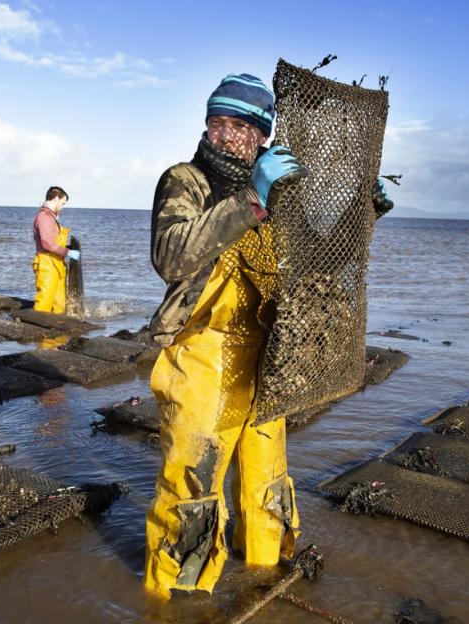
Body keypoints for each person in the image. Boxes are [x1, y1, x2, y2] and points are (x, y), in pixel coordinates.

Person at [144, 73, 307, 599]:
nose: (224, 134)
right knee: (192, 486)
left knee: (266, 477)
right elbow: (171, 257)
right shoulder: (185, 180)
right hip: (200, 353)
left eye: (239, 126)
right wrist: (249, 198)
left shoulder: (281, 191)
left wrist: (364, 211)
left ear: (263, 136)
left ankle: (265, 575)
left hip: (267, 358)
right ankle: (177, 599)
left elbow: (314, 257)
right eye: (217, 122)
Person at [32, 186, 79, 313]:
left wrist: (67, 249)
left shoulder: (52, 217)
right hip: (47, 264)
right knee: (44, 302)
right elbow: (47, 243)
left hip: (57, 264)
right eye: (62, 203)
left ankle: (59, 332)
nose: (62, 207)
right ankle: (38, 330)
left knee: (59, 304)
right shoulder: (44, 216)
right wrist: (68, 252)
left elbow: (53, 241)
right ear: (56, 198)